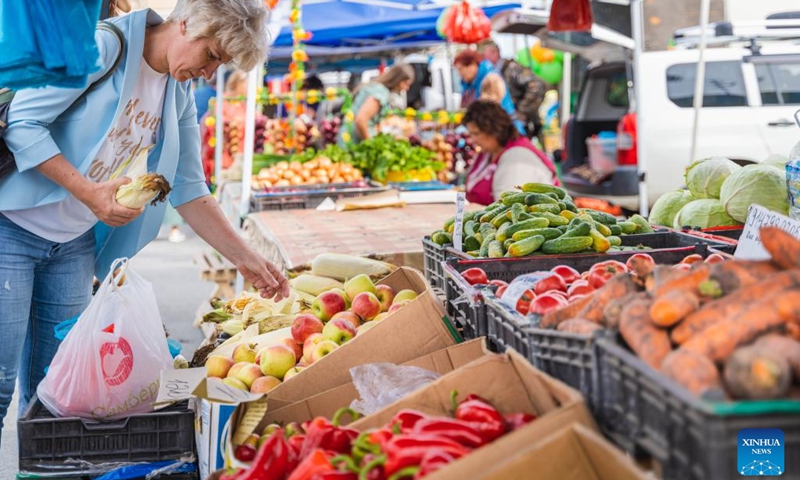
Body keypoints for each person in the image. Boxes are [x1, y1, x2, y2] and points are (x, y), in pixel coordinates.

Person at [0, 0, 290, 436]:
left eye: (220, 65)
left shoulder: (179, 93)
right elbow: (22, 123)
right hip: (12, 229)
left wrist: (246, 259)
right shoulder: (102, 46)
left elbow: (191, 187)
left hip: (74, 245)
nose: (209, 73)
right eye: (211, 55)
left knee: (57, 390)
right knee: (0, 383)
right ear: (187, 23)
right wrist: (88, 193)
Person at [463, 100, 560, 205]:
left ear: (494, 130)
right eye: (471, 134)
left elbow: (508, 206)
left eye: (476, 134)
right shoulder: (488, 152)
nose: (472, 140)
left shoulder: (517, 157)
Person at [478, 40, 548, 140]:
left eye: (483, 54)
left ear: (495, 52)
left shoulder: (512, 68)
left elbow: (538, 85)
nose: (482, 59)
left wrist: (522, 111)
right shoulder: (494, 71)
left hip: (522, 126)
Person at [337, 63, 415, 146]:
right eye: (406, 84)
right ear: (398, 79)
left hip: (349, 139)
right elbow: (361, 120)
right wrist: (372, 146)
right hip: (352, 142)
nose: (407, 88)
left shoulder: (379, 89)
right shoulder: (380, 92)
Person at [453, 50, 523, 134]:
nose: (459, 73)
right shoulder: (469, 84)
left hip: (504, 130)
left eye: (461, 69)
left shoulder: (491, 79)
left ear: (472, 65)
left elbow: (489, 113)